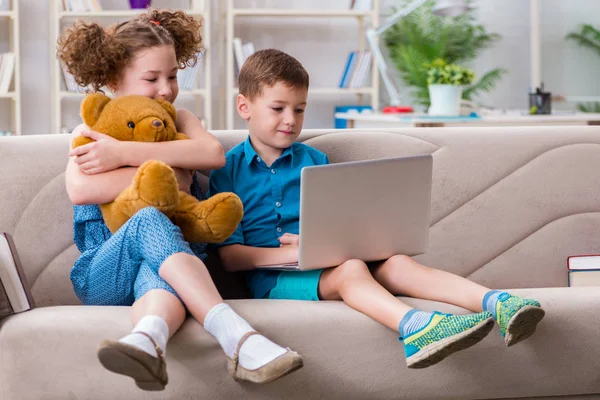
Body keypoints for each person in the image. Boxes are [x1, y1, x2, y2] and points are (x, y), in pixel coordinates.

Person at [209, 48, 546, 369]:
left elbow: (341, 224)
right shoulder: (227, 170)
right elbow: (231, 258)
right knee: (352, 269)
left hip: (334, 259)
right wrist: (301, 253)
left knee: (398, 263)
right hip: (274, 279)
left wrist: (341, 242)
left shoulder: (316, 160)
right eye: (278, 108)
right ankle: (415, 328)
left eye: (299, 109)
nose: (290, 119)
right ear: (245, 106)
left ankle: (498, 303)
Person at [57, 10, 302, 391]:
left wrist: (122, 153)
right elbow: (82, 190)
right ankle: (235, 335)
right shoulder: (89, 130)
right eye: (151, 79)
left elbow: (212, 155)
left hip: (175, 268)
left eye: (172, 76)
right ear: (112, 79)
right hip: (104, 271)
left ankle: (147, 341)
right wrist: (173, 170)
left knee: (159, 272)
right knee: (150, 217)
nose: (167, 89)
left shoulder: (180, 119)